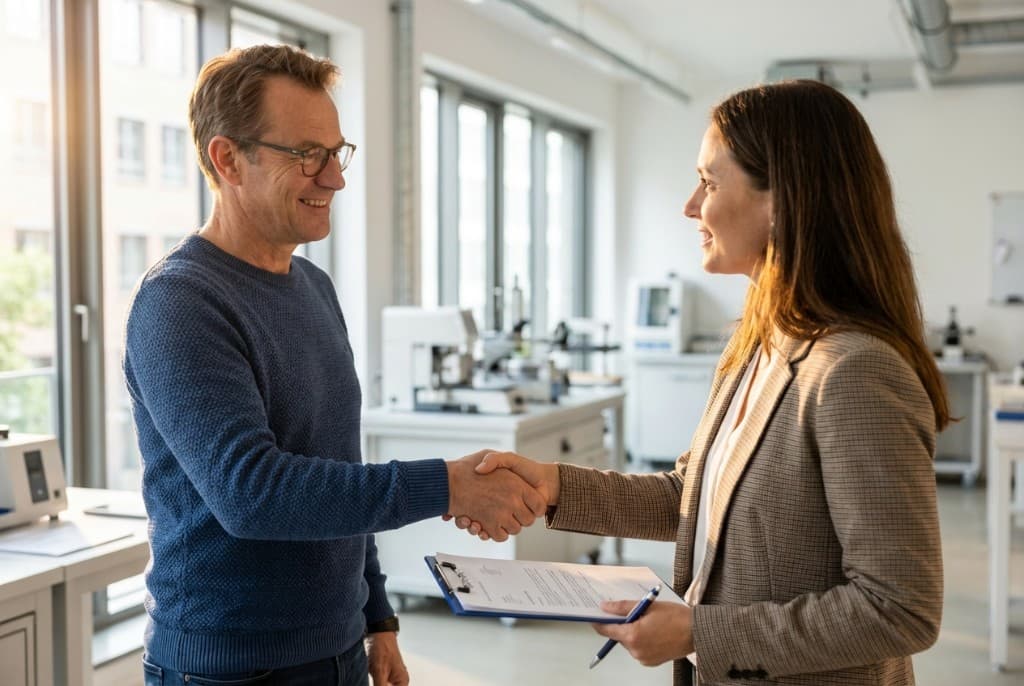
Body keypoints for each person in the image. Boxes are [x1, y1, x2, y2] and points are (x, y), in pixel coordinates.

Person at [463, 80, 949, 685]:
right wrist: (553, 485)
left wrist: (699, 632)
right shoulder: (761, 344)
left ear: (782, 200)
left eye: (710, 182)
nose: (691, 205)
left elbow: (900, 607)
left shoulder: (854, 372)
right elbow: (691, 497)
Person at [124, 45, 545, 686]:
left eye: (336, 152)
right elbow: (253, 495)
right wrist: (449, 485)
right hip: (227, 670)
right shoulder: (180, 303)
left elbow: (337, 472)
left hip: (339, 648)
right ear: (227, 158)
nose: (335, 179)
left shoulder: (314, 288)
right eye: (306, 156)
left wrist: (377, 618)